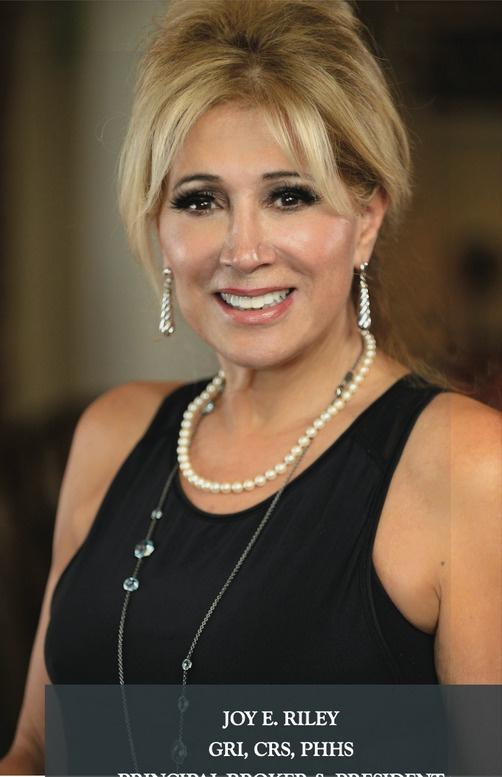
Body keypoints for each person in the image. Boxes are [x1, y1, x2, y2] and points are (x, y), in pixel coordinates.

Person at [1, 0, 500, 772]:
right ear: (159, 225)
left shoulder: (466, 463)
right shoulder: (113, 433)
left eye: (288, 195)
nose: (242, 250)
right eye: (200, 200)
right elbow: (36, 749)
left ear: (366, 220)